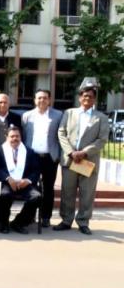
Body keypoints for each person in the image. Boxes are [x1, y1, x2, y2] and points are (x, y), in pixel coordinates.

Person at [54, 82, 109, 235]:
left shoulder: (101, 118)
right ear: (79, 98)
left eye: (90, 97)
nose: (87, 99)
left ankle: (83, 221)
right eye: (84, 96)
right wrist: (71, 152)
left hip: (88, 161)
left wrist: (84, 152)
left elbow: (102, 139)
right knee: (67, 192)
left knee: (87, 193)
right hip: (70, 159)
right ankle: (66, 220)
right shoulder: (69, 113)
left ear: (94, 99)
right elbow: (61, 133)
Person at [21, 89, 62, 227]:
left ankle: (45, 217)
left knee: (48, 188)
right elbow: (24, 136)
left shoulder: (58, 115)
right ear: (34, 100)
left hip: (49, 157)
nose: (42, 100)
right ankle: (30, 215)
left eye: (45, 98)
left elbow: (61, 137)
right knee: (30, 186)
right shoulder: (27, 116)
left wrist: (59, 155)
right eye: (39, 98)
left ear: (49, 100)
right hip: (32, 157)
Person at [0, 126, 41, 234]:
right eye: (12, 136)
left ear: (21, 137)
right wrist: (7, 178)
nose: (15, 138)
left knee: (36, 197)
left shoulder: (29, 151)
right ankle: (4, 223)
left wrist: (27, 180)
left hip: (25, 184)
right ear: (6, 137)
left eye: (17, 136)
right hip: (8, 183)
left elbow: (36, 170)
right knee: (4, 195)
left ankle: (19, 223)